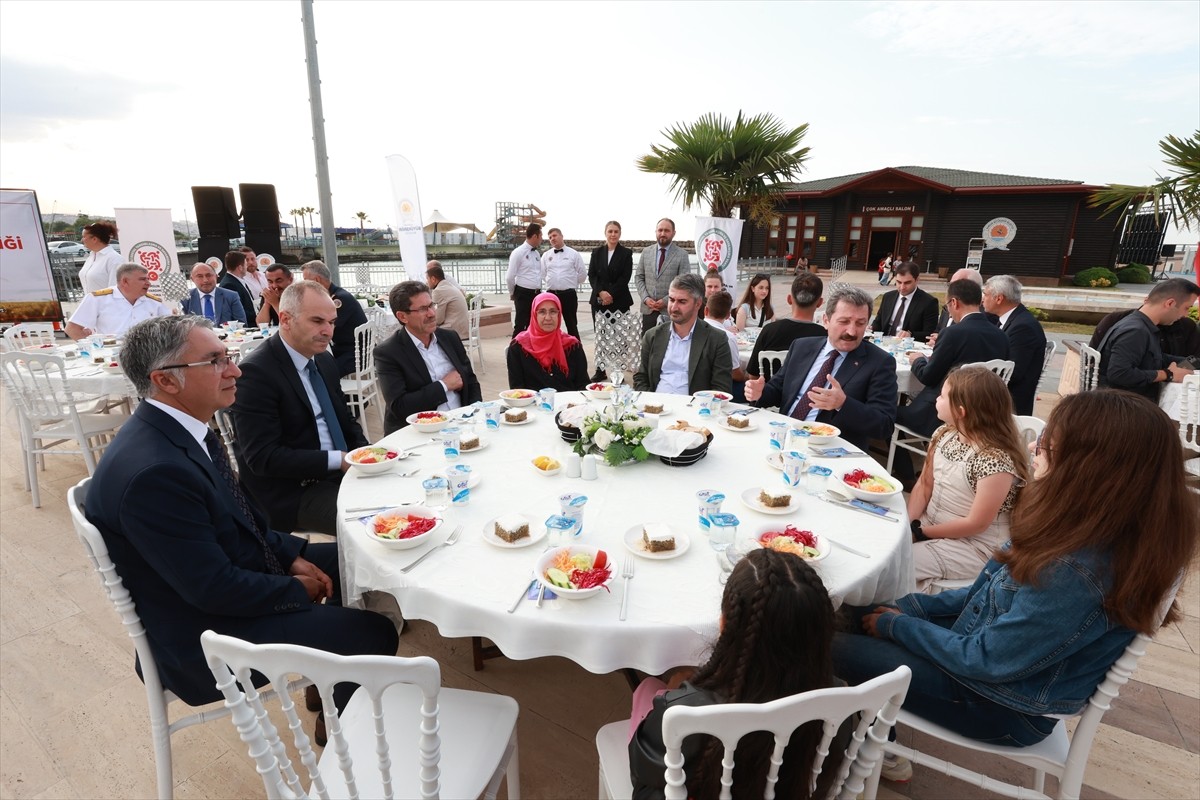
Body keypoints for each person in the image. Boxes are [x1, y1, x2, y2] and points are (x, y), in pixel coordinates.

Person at [833, 390, 1197, 771]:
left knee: (817, 643)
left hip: (996, 706)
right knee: (851, 608)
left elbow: (985, 659)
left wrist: (897, 624)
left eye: (1049, 442)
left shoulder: (1076, 568)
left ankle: (860, 747)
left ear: (1090, 464)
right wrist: (908, 608)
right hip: (986, 665)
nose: (1035, 446)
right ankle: (870, 731)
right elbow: (979, 598)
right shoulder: (1084, 524)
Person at [84, 315, 398, 734]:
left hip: (219, 587)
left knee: (359, 559)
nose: (235, 370)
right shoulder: (154, 472)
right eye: (215, 361)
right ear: (166, 380)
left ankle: (330, 680)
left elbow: (241, 521)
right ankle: (347, 738)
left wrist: (293, 556)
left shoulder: (178, 432)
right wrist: (295, 589)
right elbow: (212, 589)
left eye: (228, 356)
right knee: (373, 633)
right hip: (201, 639)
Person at [629, 550, 845, 800]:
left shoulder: (686, 713)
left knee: (647, 687)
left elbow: (642, 772)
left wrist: (676, 694)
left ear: (723, 624)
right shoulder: (839, 703)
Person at [231, 281, 369, 536]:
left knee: (408, 492)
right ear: (285, 319)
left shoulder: (323, 360)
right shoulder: (256, 374)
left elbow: (345, 419)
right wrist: (338, 460)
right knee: (373, 523)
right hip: (295, 490)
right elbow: (263, 458)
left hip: (338, 472)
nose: (328, 331)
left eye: (332, 322)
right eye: (317, 321)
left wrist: (366, 455)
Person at [908, 367, 1029, 592]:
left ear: (960, 411)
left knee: (903, 563)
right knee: (887, 543)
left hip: (974, 545)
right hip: (931, 525)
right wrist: (909, 525)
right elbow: (925, 485)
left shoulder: (994, 460)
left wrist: (920, 533)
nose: (937, 398)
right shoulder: (944, 433)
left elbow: (976, 523)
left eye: (942, 396)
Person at [745, 286, 898, 452]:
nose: (852, 331)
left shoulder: (879, 362)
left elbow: (884, 425)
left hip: (830, 451)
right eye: (844, 322)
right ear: (826, 320)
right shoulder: (802, 346)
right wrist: (760, 393)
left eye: (860, 323)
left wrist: (843, 404)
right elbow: (777, 389)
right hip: (783, 437)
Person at [899, 279, 1010, 438]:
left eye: (947, 307)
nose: (949, 313)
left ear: (954, 302)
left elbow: (928, 377)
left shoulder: (953, 333)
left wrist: (918, 360)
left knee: (888, 411)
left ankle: (900, 462)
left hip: (940, 416)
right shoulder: (1002, 336)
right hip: (983, 415)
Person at [375, 280, 482, 434]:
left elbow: (471, 381)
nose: (432, 314)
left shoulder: (449, 338)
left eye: (432, 305)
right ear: (402, 316)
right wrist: (443, 385)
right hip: (419, 432)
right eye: (423, 309)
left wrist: (474, 415)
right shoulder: (388, 353)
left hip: (462, 422)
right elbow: (399, 406)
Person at [1097, 278, 1199, 401]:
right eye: (1186, 308)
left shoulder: (1141, 325)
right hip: (1123, 406)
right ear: (1170, 303)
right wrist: (1168, 374)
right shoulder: (1135, 331)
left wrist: (1193, 362)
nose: (1185, 315)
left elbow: (1154, 357)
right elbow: (1119, 374)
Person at [633, 273, 732, 395]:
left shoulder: (717, 340)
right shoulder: (652, 336)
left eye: (682, 302)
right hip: (655, 408)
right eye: (671, 299)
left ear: (698, 304)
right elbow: (641, 378)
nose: (674, 307)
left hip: (696, 409)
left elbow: (721, 389)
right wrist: (651, 403)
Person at [983, 274, 1048, 415]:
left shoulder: (1023, 327)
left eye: (985, 294)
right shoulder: (1011, 319)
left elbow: (1013, 373)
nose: (982, 299)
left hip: (1009, 401)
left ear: (999, 298)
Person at [746, 272, 826, 377]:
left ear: (789, 299)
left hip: (768, 391)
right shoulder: (825, 337)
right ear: (820, 303)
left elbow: (753, 375)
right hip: (808, 393)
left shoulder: (769, 330)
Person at [506, 292, 589, 391]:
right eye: (542, 312)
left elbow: (583, 384)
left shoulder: (573, 345)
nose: (548, 318)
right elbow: (517, 389)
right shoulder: (518, 346)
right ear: (534, 314)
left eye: (553, 311)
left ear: (559, 314)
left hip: (570, 404)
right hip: (532, 404)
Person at [66, 263, 172, 339]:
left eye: (148, 279)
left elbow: (171, 329)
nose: (148, 283)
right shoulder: (98, 299)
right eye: (142, 279)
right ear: (125, 281)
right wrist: (94, 349)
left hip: (147, 355)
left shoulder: (154, 302)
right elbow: (72, 329)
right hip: (111, 356)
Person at [301, 259, 369, 377]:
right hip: (345, 349)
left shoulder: (339, 299)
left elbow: (325, 329)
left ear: (317, 280)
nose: (304, 286)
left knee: (321, 371)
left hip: (356, 354)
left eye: (306, 281)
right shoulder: (331, 297)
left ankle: (335, 395)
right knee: (314, 363)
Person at [588, 220, 635, 380]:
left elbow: (625, 278)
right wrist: (601, 293)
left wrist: (610, 294)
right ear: (605, 233)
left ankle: (618, 372)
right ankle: (600, 371)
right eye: (610, 231)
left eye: (616, 231)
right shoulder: (596, 252)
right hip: (599, 302)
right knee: (601, 337)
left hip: (620, 301)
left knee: (620, 338)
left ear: (620, 234)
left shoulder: (626, 253)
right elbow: (592, 275)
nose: (613, 234)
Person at [635, 218, 691, 332]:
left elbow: (684, 283)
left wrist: (666, 301)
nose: (663, 233)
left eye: (666, 230)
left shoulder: (682, 255)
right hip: (648, 310)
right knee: (648, 347)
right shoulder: (646, 252)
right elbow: (639, 277)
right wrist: (645, 298)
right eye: (660, 230)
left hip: (671, 311)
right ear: (655, 231)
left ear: (673, 233)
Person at [870, 262, 938, 342]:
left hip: (908, 346)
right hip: (884, 342)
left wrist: (911, 334)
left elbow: (929, 333)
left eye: (907, 283)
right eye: (898, 282)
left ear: (917, 280)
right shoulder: (888, 297)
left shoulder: (929, 302)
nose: (902, 287)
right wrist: (871, 328)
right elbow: (878, 322)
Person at [540, 227, 587, 340]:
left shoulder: (573, 254)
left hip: (568, 295)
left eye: (555, 235)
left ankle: (576, 353)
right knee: (550, 324)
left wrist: (571, 283)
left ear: (561, 236)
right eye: (550, 237)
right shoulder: (546, 255)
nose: (552, 239)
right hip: (551, 295)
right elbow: (542, 274)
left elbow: (582, 274)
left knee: (571, 325)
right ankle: (551, 351)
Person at [702, 290, 749, 399]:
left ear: (705, 310)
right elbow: (735, 373)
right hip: (720, 389)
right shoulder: (727, 337)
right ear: (728, 315)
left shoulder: (694, 330)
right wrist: (747, 378)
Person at [505, 223, 543, 337]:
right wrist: (512, 293)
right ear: (535, 236)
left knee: (533, 325)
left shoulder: (536, 253)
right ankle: (514, 352)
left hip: (536, 294)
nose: (542, 239)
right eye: (541, 236)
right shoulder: (518, 252)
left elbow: (537, 273)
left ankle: (530, 351)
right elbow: (509, 276)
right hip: (523, 292)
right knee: (520, 325)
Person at [180, 262, 246, 325]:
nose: (205, 280)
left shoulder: (231, 296)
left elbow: (242, 324)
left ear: (216, 276)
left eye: (208, 275)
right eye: (200, 276)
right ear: (192, 279)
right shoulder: (185, 298)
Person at [426, 261, 469, 340]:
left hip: (455, 330)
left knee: (425, 331)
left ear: (433, 279)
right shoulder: (449, 285)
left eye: (427, 279)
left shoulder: (438, 291)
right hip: (463, 329)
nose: (426, 282)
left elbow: (439, 320)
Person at [77, 221, 123, 294]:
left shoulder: (115, 259)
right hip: (90, 303)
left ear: (94, 239)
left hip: (105, 304)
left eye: (84, 237)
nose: (81, 240)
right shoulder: (91, 257)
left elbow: (115, 290)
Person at [219, 250, 258, 323]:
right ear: (240, 267)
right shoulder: (229, 285)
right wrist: (258, 315)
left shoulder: (238, 280)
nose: (247, 267)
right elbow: (237, 311)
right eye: (246, 264)